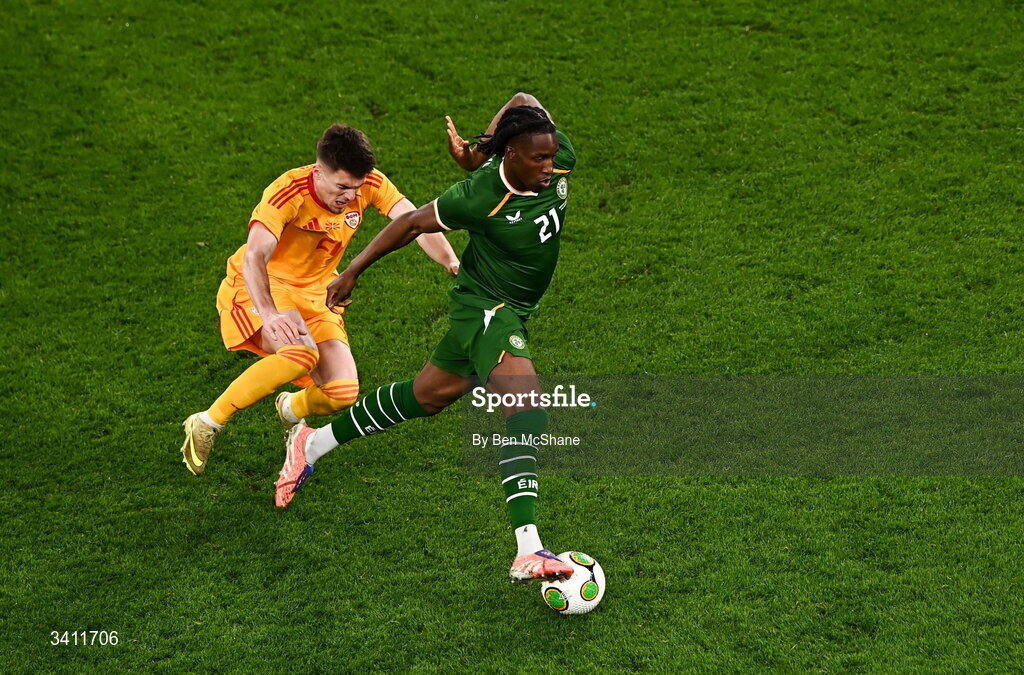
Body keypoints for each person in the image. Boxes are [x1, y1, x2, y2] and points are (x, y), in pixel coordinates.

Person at [275, 94, 577, 583]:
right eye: (539, 157)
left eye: (551, 153)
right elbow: (411, 222)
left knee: (427, 396)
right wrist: (353, 271)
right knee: (527, 407)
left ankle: (310, 443)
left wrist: (479, 146)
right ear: (511, 156)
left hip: (515, 307)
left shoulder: (554, 153)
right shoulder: (479, 195)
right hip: (486, 307)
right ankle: (529, 547)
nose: (551, 164)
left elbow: (524, 99)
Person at [180, 124, 459, 476]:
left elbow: (414, 221)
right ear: (318, 171)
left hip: (316, 294)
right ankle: (207, 422)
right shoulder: (288, 192)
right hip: (262, 286)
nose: (350, 196)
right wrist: (268, 314)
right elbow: (254, 258)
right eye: (342, 186)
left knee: (342, 391)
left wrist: (451, 261)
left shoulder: (368, 184)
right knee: (300, 354)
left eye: (356, 188)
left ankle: (291, 409)